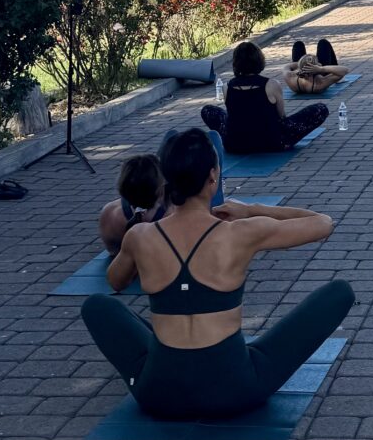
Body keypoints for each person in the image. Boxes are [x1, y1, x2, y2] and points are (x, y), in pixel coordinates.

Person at [82, 128, 355, 420]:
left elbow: (116, 281)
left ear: (167, 180)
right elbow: (323, 223)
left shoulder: (140, 236)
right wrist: (251, 210)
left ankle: (168, 356)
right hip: (236, 390)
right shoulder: (241, 233)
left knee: (97, 306)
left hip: (159, 394)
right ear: (213, 176)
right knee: (339, 292)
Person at [98, 130, 227, 255]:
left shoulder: (109, 213)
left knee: (172, 136)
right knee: (213, 137)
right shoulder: (171, 218)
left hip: (146, 214)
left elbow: (113, 253)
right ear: (161, 187)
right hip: (195, 208)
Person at [200, 42, 327, 155]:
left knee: (207, 110)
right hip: (273, 142)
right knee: (320, 109)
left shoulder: (226, 87)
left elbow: (233, 115)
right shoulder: (272, 85)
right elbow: (281, 116)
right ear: (259, 61)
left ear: (236, 63)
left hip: (236, 144)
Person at [283, 38, 350, 95]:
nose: (320, 64)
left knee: (298, 44)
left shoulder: (290, 77)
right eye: (318, 63)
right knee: (323, 43)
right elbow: (345, 70)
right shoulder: (320, 83)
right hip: (318, 75)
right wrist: (321, 69)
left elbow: (286, 66)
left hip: (299, 78)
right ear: (316, 66)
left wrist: (303, 63)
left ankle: (305, 62)